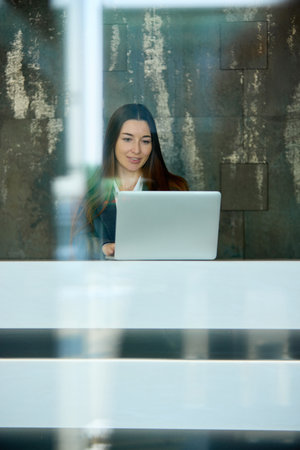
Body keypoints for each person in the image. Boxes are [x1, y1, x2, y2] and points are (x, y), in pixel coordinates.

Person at [74, 103, 188, 258]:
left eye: (145, 141)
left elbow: (184, 244)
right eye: (128, 139)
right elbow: (74, 243)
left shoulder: (175, 188)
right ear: (112, 142)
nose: (136, 150)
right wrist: (102, 247)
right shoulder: (89, 190)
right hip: (104, 279)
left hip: (158, 278)